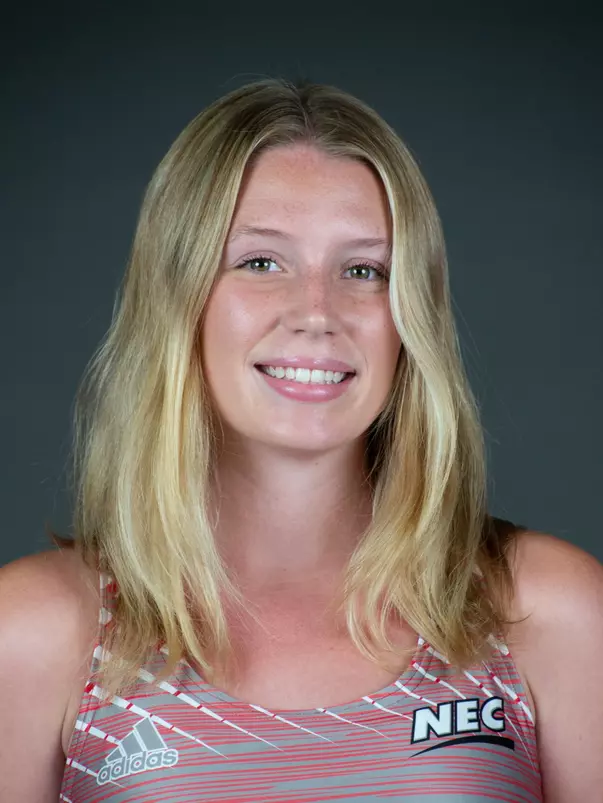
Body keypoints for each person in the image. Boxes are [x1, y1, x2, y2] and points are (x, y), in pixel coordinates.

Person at [1, 78, 601, 803]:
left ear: (410, 317)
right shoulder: (35, 636)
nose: (316, 312)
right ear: (178, 297)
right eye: (260, 261)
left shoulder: (544, 612)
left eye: (363, 270)